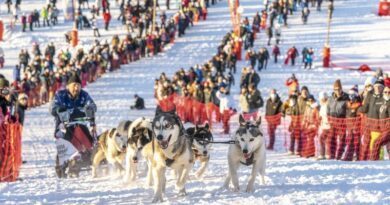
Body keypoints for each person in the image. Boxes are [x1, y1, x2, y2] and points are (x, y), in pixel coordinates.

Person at [50, 73, 97, 141]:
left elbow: (92, 105)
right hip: (65, 126)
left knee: (89, 142)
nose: (76, 88)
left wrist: (89, 108)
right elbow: (52, 108)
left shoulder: (84, 95)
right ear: (68, 86)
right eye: (74, 85)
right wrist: (58, 109)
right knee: (67, 139)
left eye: (78, 85)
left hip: (81, 125)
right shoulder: (60, 95)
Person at [327, 79, 349, 160]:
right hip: (333, 121)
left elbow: (348, 109)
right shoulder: (330, 98)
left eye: (339, 89)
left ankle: (339, 155)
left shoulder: (346, 97)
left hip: (342, 121)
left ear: (341, 89)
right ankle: (331, 155)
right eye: (335, 89)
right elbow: (328, 109)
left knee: (342, 139)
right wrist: (329, 118)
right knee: (331, 139)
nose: (337, 91)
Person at [317, 91, 330, 160]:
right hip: (324, 126)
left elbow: (328, 115)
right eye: (321, 99)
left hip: (328, 126)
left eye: (324, 99)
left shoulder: (327, 106)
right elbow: (321, 115)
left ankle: (325, 154)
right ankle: (325, 153)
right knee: (323, 139)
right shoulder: (322, 106)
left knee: (322, 138)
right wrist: (319, 119)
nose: (322, 100)